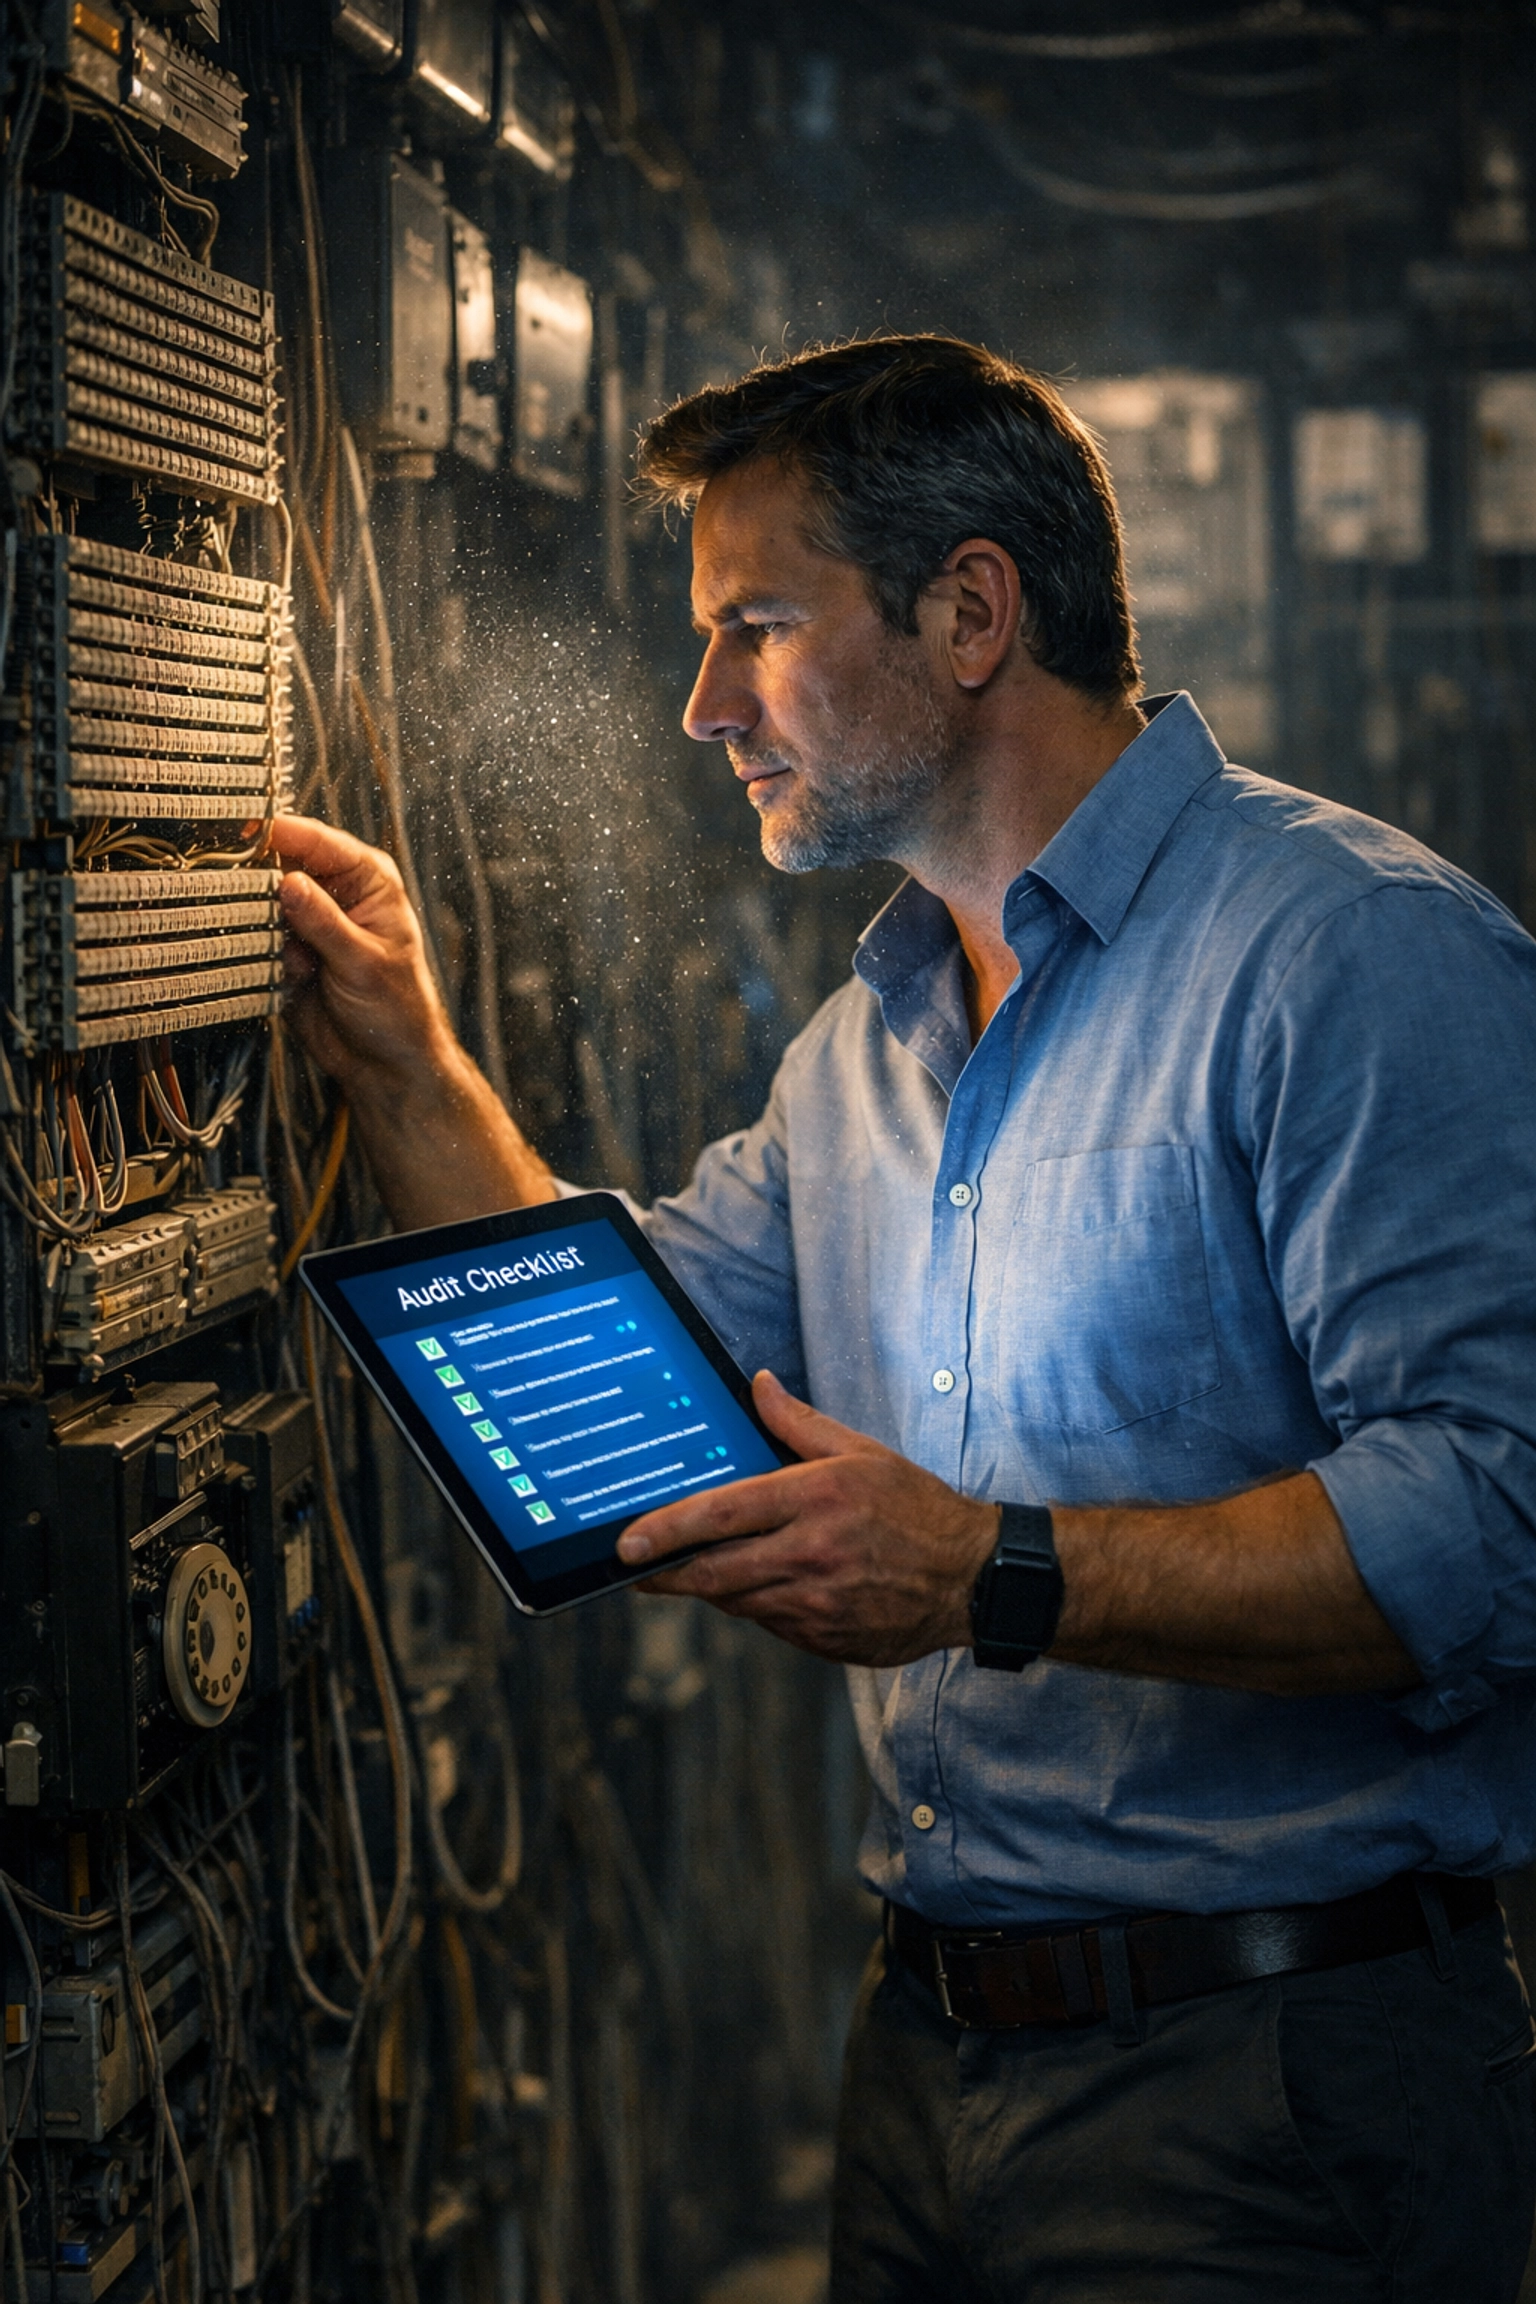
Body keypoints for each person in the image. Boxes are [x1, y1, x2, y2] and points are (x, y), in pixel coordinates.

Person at [274, 336, 1536, 2302]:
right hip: (930, 2061)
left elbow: (1500, 1523)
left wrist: (985, 1571)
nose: (705, 707)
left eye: (755, 628)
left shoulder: (1349, 958)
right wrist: (409, 1058)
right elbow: (624, 1371)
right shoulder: (871, 1051)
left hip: (1269, 2099)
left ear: (969, 614)